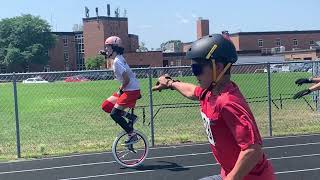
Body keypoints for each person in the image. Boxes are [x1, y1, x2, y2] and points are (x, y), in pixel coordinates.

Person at [152, 34, 275, 180]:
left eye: (197, 68)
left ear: (218, 67)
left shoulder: (228, 102)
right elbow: (192, 91)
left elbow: (252, 150)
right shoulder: (210, 92)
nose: (195, 74)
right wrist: (171, 83)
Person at [100, 36, 141, 145]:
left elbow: (126, 79)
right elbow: (113, 58)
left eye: (108, 47)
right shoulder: (118, 58)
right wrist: (106, 54)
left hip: (131, 90)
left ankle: (132, 135)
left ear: (114, 48)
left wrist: (120, 90)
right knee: (106, 105)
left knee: (114, 114)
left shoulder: (117, 62)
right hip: (128, 88)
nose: (106, 49)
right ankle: (130, 117)